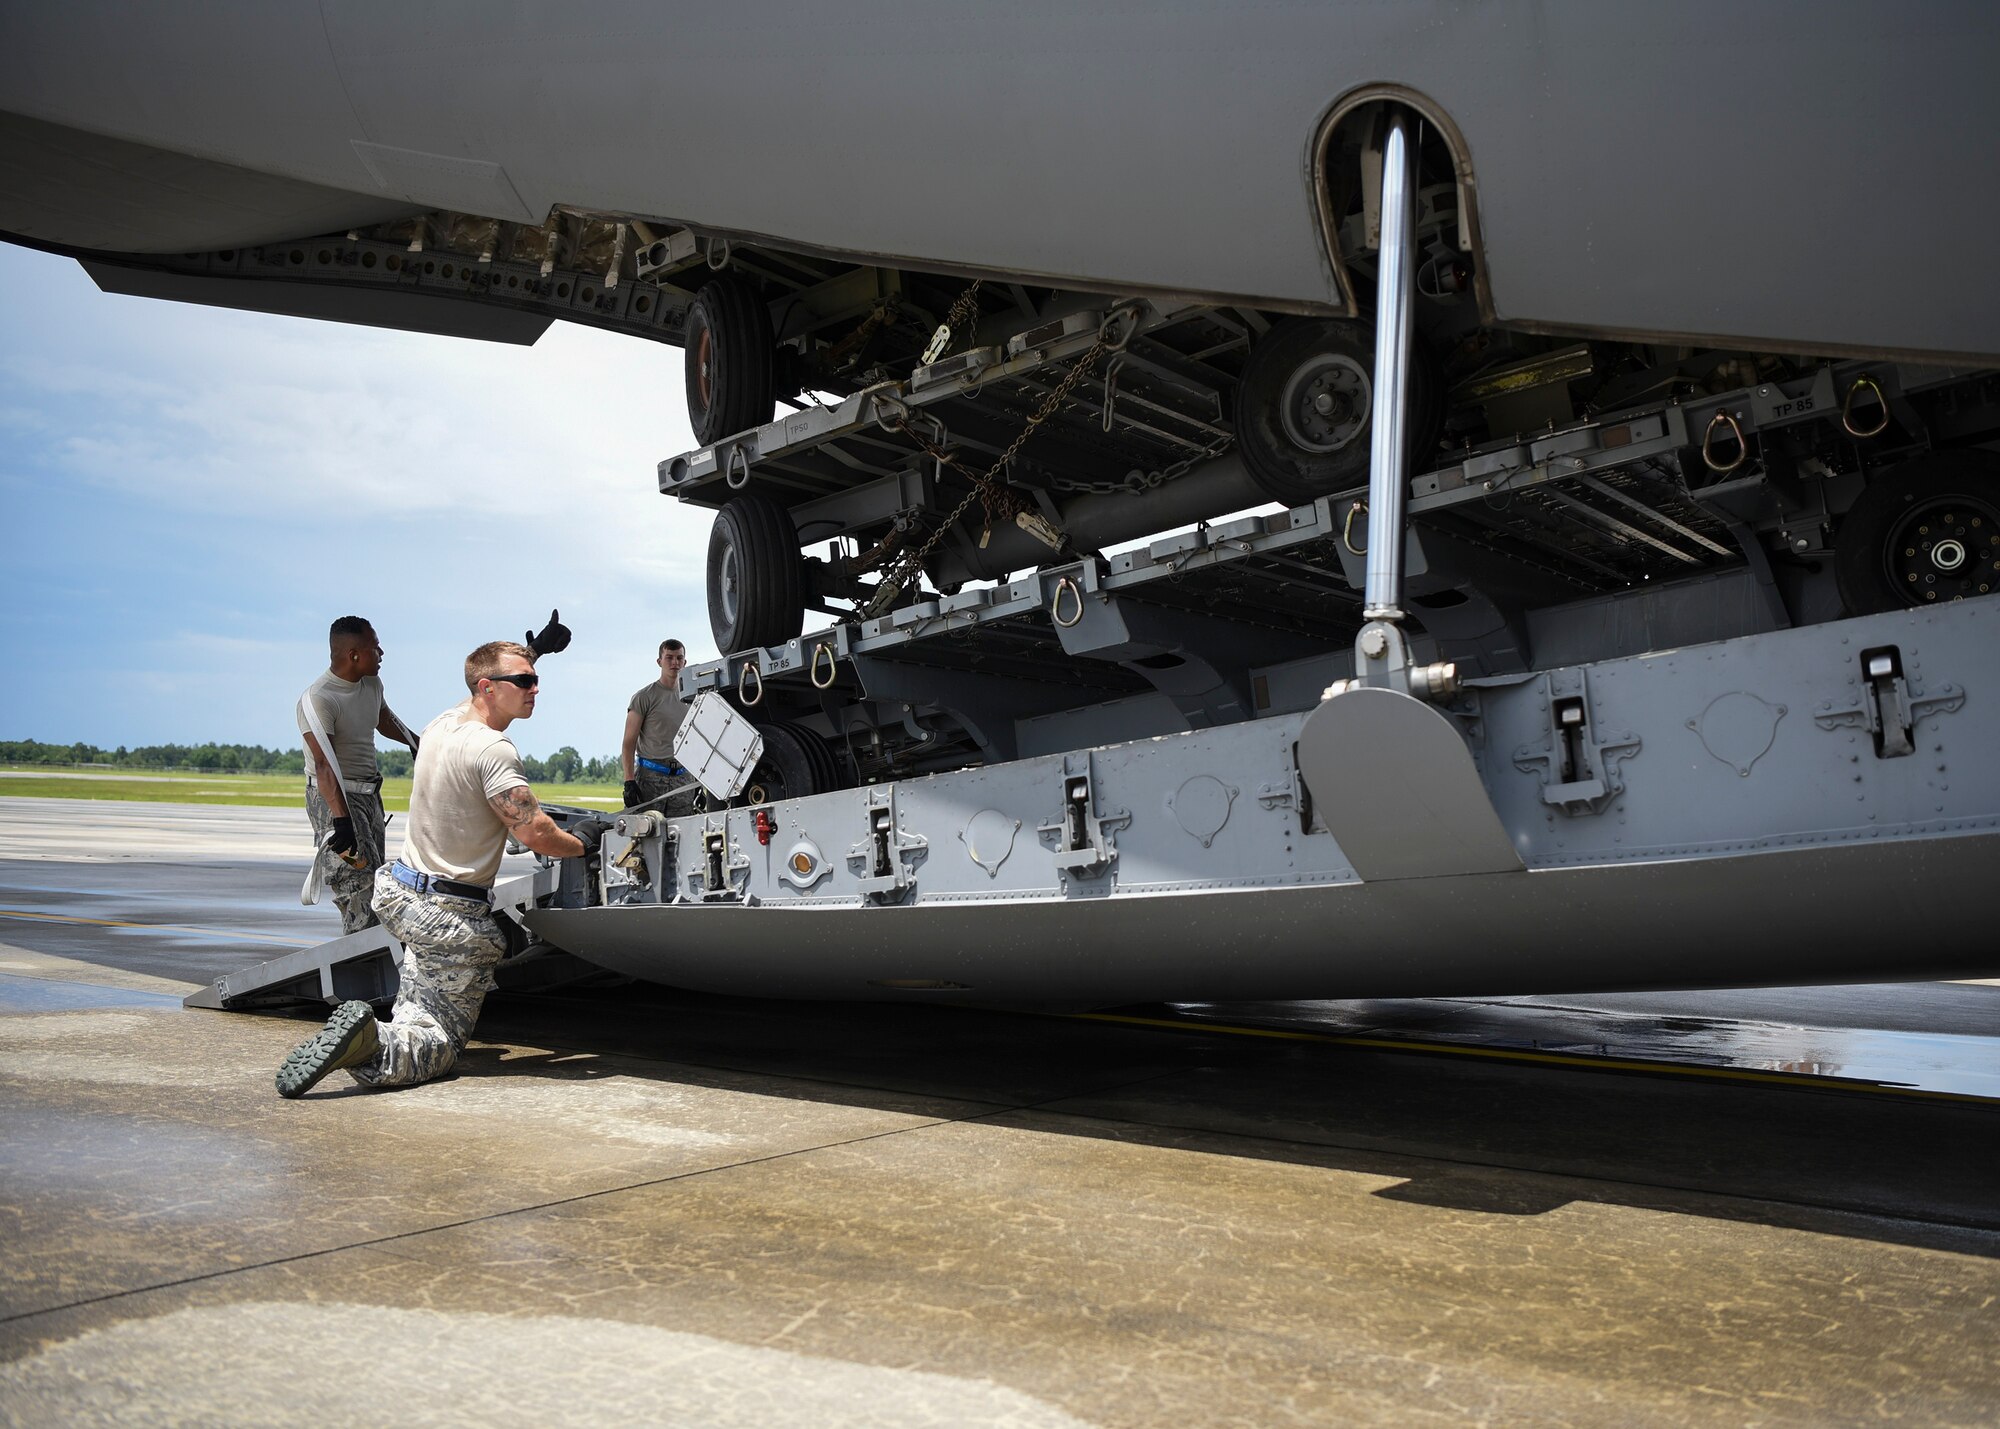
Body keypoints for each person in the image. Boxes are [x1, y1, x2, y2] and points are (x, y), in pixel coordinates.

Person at [275, 640, 609, 1098]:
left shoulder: (442, 724)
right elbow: (534, 832)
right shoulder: (495, 751)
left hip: (403, 896)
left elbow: (483, 670)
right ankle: (371, 1047)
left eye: (535, 680)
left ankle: (387, 1029)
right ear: (489, 689)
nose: (535, 689)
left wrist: (532, 652)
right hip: (451, 916)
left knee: (418, 1008)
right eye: (525, 681)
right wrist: (582, 843)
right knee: (440, 1044)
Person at [296, 617, 418, 934]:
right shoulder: (319, 700)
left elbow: (383, 718)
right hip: (334, 800)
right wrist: (341, 823)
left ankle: (372, 953)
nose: (381, 652)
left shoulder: (372, 685)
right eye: (374, 646)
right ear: (353, 654)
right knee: (357, 884)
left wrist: (415, 741)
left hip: (368, 798)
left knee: (375, 879)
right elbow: (323, 765)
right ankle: (362, 965)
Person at [621, 638, 698, 813]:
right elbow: (628, 743)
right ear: (659, 661)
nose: (674, 663)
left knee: (682, 834)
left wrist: (697, 780)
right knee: (646, 834)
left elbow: (697, 741)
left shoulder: (693, 698)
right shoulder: (644, 697)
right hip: (650, 779)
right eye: (669, 657)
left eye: (679, 658)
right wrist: (629, 781)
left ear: (685, 662)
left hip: (683, 779)